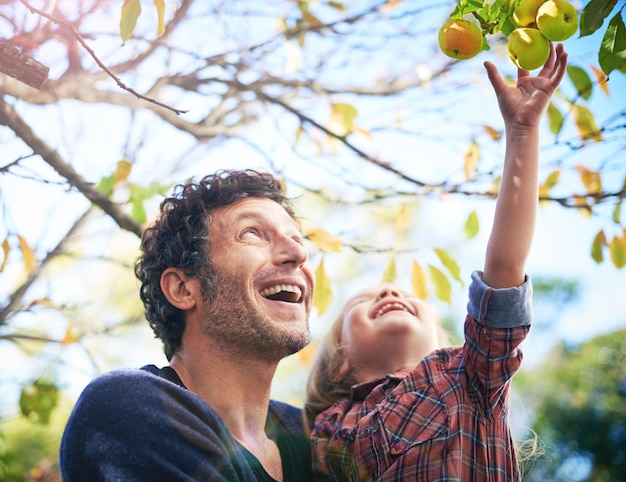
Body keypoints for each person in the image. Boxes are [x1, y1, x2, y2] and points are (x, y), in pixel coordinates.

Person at [305, 43, 568, 481]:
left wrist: (523, 133)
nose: (390, 291)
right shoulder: (326, 432)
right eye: (363, 300)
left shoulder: (465, 375)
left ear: (441, 338)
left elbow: (502, 273)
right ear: (339, 362)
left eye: (405, 294)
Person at [59, 169, 315, 481]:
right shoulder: (131, 408)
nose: (298, 254)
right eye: (251, 233)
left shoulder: (312, 437)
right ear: (182, 289)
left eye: (297, 239)